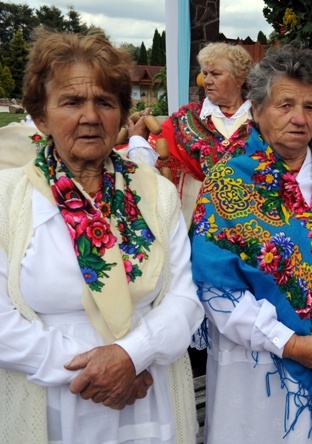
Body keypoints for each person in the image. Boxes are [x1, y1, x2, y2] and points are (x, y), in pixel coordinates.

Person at [0, 32, 204, 442]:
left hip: (146, 392)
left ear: (122, 115)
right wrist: (102, 372)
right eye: (72, 102)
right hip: (54, 402)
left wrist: (131, 357)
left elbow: (185, 299)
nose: (90, 116)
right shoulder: (7, 198)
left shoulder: (156, 193)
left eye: (105, 102)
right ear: (41, 117)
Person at [190, 45, 312, 443]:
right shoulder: (229, 183)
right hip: (254, 369)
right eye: (284, 105)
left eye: (310, 107)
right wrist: (294, 345)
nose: (299, 118)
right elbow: (214, 289)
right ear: (257, 109)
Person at [128, 42, 254, 226]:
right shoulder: (185, 117)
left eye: (216, 74)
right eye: (205, 74)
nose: (207, 80)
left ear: (239, 78)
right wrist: (138, 139)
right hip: (194, 225)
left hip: (252, 223)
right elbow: (151, 160)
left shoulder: (262, 119)